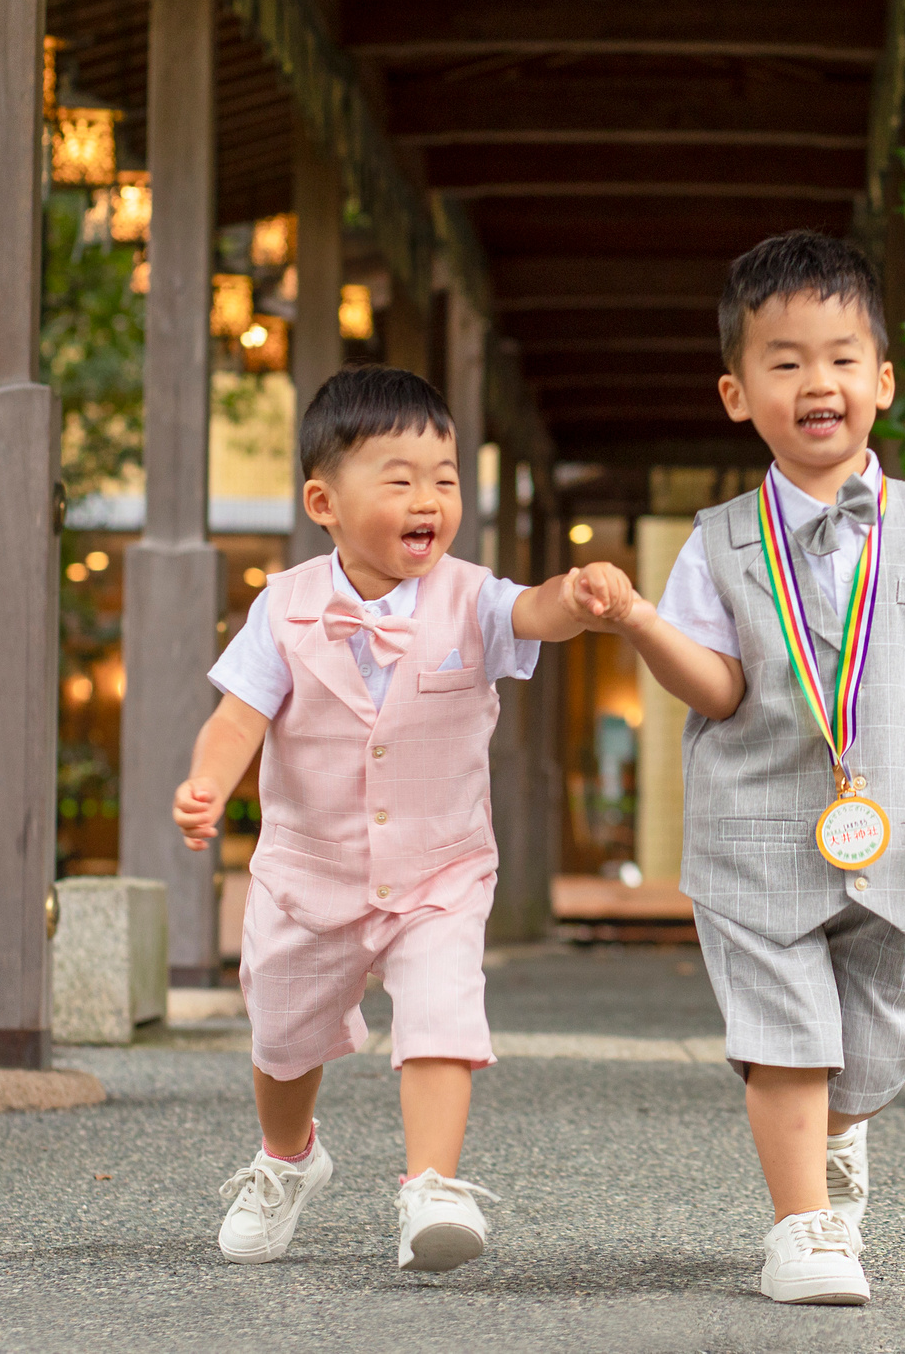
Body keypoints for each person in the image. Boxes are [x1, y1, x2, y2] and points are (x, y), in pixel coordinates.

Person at [574, 231, 905, 1306]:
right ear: (738, 394)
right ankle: (802, 1230)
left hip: (893, 835)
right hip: (754, 832)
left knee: (875, 1040)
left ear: (881, 379)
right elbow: (720, 687)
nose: (814, 381)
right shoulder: (720, 542)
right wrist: (640, 621)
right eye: (783, 362)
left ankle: (837, 1140)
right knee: (787, 1040)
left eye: (837, 357)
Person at [171, 364, 604, 1273]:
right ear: (323, 500)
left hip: (439, 866)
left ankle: (432, 1187)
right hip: (308, 871)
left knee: (443, 1010)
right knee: (282, 1037)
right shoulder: (283, 606)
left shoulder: (471, 595)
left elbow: (532, 610)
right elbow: (239, 714)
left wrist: (574, 596)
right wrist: (208, 782)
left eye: (444, 478)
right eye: (398, 478)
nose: (429, 499)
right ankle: (288, 1159)